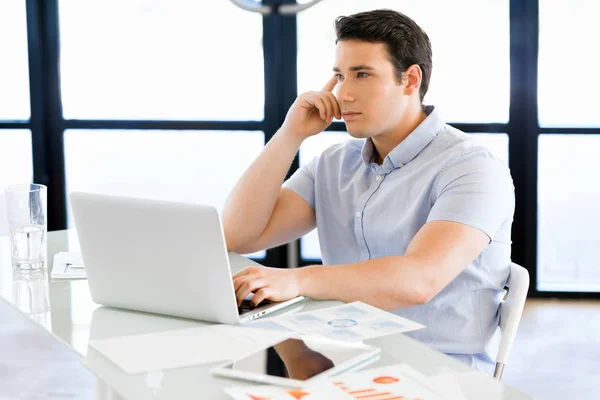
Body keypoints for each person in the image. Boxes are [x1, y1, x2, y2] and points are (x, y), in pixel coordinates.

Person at [222, 9, 515, 373]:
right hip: (344, 358)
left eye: (362, 75)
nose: (344, 92)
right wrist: (289, 135)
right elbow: (237, 235)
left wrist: (298, 279)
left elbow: (418, 279)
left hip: (439, 373)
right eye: (339, 75)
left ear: (410, 80)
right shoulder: (334, 164)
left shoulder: (473, 168)